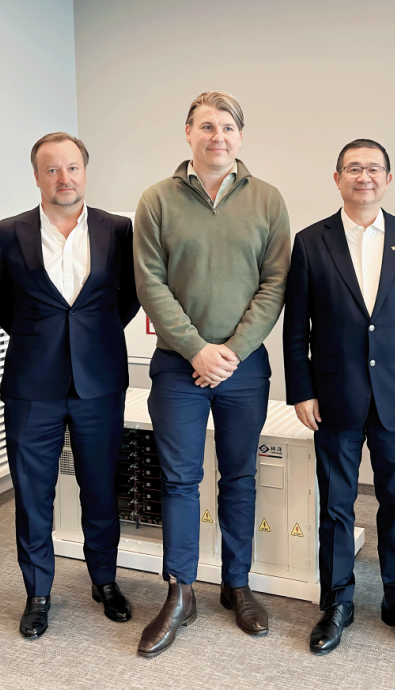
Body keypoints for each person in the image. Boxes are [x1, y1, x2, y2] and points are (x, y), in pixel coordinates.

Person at [133, 91, 290, 657]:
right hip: (178, 368)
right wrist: (198, 350)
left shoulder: (268, 200)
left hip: (244, 369)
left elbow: (275, 283)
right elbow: (149, 282)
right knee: (179, 480)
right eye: (206, 126)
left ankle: (236, 584)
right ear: (188, 133)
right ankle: (180, 592)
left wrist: (230, 353)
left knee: (239, 477)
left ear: (240, 136)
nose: (217, 136)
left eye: (227, 127)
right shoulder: (157, 200)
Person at [283, 139, 395, 655]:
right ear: (337, 178)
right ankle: (337, 601)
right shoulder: (311, 242)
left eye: (374, 168)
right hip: (334, 394)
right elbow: (296, 328)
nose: (364, 177)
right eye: (354, 168)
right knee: (336, 502)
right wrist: (301, 390)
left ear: (388, 179)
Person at [0, 132, 139, 639]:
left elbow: (130, 297)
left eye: (72, 167)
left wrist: (93, 336)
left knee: (101, 488)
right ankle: (38, 593)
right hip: (32, 385)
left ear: (85, 172)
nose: (63, 178)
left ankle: (105, 580)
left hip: (100, 381)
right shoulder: (7, 233)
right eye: (51, 169)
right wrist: (42, 338)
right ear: (36, 177)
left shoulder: (119, 230)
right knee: (33, 495)